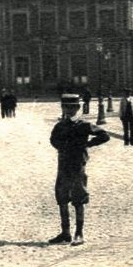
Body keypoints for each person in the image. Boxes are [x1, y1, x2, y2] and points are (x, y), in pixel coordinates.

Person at [49, 94, 110, 246]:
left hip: (77, 166)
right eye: (66, 107)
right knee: (62, 197)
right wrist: (62, 147)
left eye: (72, 107)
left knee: (78, 197)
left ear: (78, 108)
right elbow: (53, 139)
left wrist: (88, 145)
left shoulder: (84, 125)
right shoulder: (60, 126)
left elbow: (104, 135)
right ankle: (65, 233)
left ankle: (79, 234)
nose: (68, 110)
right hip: (63, 165)